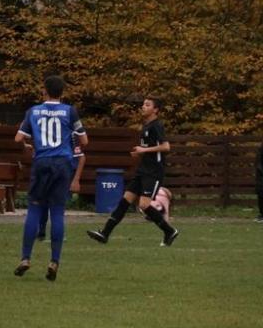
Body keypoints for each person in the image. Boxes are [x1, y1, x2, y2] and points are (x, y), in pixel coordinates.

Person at [13, 74, 88, 281]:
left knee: (34, 208)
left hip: (42, 162)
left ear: (44, 90)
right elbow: (84, 140)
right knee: (57, 212)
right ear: (62, 92)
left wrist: (29, 144)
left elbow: (18, 138)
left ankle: (25, 257)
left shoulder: (33, 111)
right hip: (62, 164)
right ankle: (54, 260)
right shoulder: (70, 111)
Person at [86, 97, 179, 247]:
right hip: (142, 170)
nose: (143, 107)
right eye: (143, 104)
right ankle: (105, 234)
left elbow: (166, 147)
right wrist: (140, 152)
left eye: (147, 105)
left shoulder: (157, 126)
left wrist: (144, 150)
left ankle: (169, 231)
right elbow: (149, 149)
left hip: (153, 172)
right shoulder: (146, 126)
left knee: (144, 205)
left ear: (155, 110)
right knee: (124, 201)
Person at [37, 134, 85, 241]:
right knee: (43, 202)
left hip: (63, 172)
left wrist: (76, 179)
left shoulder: (71, 135)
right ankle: (41, 232)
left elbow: (81, 157)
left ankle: (55, 233)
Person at [255, 142, 263, 223]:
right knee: (261, 192)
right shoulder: (261, 148)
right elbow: (258, 162)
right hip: (261, 175)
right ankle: (261, 214)